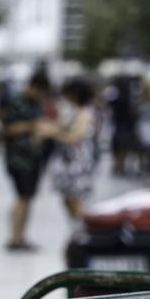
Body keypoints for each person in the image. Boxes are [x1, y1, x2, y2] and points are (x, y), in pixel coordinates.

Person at [0, 72, 51, 251]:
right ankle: (14, 238)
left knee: (28, 198)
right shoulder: (16, 102)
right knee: (22, 198)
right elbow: (6, 129)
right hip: (19, 160)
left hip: (33, 158)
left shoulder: (36, 104)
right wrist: (31, 126)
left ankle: (21, 237)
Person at [36, 78, 97, 221]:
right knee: (67, 197)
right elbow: (61, 126)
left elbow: (73, 137)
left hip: (77, 161)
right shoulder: (74, 111)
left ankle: (84, 228)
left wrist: (51, 133)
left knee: (76, 198)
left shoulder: (85, 113)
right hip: (66, 161)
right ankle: (76, 227)